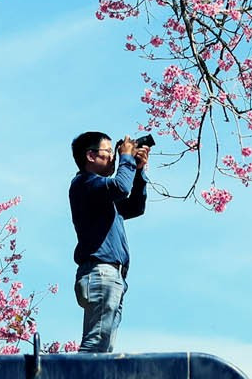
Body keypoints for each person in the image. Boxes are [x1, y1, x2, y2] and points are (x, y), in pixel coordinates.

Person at [67, 130, 148, 352]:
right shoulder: (84, 184)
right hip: (101, 271)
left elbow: (134, 207)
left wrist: (138, 172)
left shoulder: (101, 195)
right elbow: (121, 187)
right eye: (109, 152)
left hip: (112, 274)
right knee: (96, 345)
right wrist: (127, 159)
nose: (114, 157)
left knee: (103, 349)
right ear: (91, 156)